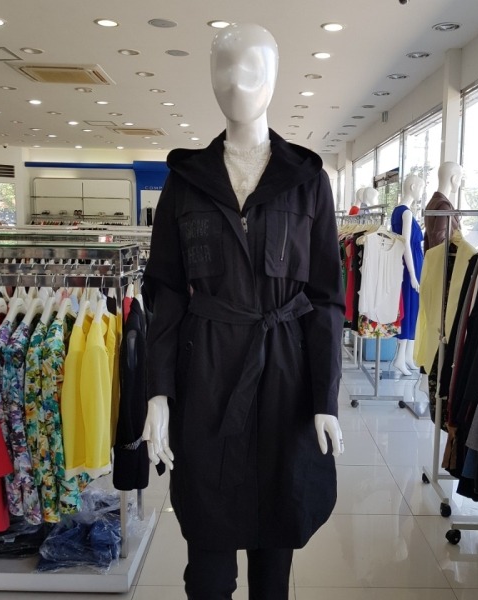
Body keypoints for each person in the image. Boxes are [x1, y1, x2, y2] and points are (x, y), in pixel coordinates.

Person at [142, 22, 345, 600]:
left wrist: (325, 398)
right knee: (207, 559)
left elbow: (327, 298)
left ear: (276, 78)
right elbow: (165, 291)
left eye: (252, 68)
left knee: (275, 550)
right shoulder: (185, 181)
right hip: (206, 373)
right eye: (224, 68)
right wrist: (159, 392)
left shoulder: (307, 180)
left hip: (285, 375)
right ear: (210, 78)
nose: (237, 82)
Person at [391, 174, 424, 375]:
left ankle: (408, 357)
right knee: (409, 308)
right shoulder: (406, 213)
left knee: (413, 308)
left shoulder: (398, 211)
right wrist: (412, 274)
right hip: (410, 266)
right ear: (412, 187)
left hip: (410, 265)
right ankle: (399, 358)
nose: (421, 192)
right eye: (421, 187)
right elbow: (405, 245)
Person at [424, 161, 462, 251]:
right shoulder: (443, 206)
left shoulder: (432, 203)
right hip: (443, 259)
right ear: (454, 178)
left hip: (432, 257)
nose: (460, 183)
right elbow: (439, 241)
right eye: (460, 179)